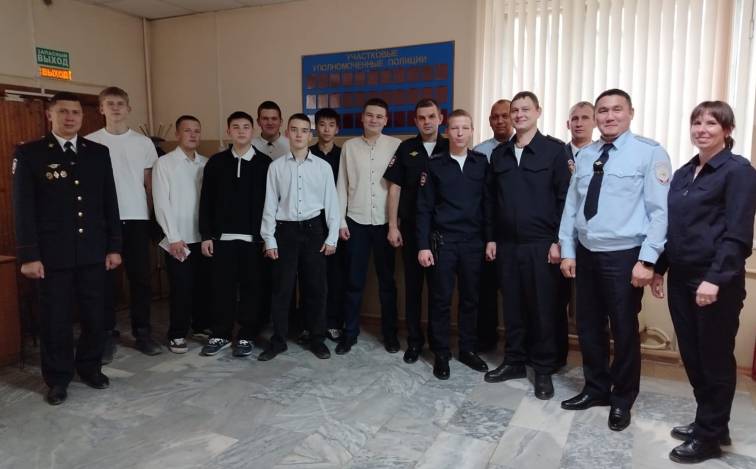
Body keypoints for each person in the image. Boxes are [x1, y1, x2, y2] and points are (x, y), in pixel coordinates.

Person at [558, 89, 671, 431]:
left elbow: (660, 212)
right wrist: (568, 250)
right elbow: (572, 207)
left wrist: (648, 260)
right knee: (588, 326)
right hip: (587, 254)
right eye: (603, 111)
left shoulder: (649, 153)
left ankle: (622, 398)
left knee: (623, 330)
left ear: (630, 113)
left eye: (616, 110)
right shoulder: (587, 154)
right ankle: (596, 388)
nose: (609, 116)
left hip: (624, 256)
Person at [650, 101, 756, 464]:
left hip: (715, 281)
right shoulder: (684, 173)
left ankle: (710, 437)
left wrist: (714, 279)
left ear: (727, 130)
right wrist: (660, 267)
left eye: (711, 123)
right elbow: (675, 228)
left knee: (714, 359)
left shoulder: (738, 171)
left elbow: (738, 235)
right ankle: (711, 422)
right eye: (697, 122)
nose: (702, 129)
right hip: (681, 277)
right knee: (693, 357)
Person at [13, 92, 122, 405]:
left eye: (75, 112)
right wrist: (29, 255)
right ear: (50, 115)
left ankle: (90, 367)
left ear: (83, 116)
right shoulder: (30, 153)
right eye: (63, 111)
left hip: (93, 250)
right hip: (52, 255)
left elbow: (109, 202)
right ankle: (58, 378)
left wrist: (114, 246)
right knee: (55, 319)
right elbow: (23, 208)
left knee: (95, 315)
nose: (70, 117)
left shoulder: (97, 153)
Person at [483, 91, 571, 399]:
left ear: (538, 111)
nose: (519, 115)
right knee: (513, 306)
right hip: (507, 244)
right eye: (515, 110)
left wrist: (559, 241)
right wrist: (491, 237)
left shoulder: (555, 151)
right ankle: (514, 361)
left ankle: (543, 368)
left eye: (525, 109)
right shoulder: (500, 155)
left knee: (543, 308)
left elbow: (565, 200)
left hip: (542, 245)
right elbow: (490, 201)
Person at [86, 86, 161, 359]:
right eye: (110, 103)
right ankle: (106, 333)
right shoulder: (90, 142)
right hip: (103, 222)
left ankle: (142, 333)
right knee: (105, 281)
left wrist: (151, 217)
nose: (115, 108)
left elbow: (150, 184)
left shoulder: (143, 143)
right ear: (101, 109)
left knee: (140, 279)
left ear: (129, 108)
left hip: (137, 218)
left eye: (120, 103)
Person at [259, 113, 340, 361]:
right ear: (287, 133)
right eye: (294, 129)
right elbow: (270, 204)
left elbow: (332, 203)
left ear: (310, 134)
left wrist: (332, 237)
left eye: (304, 130)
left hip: (314, 231)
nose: (299, 134)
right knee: (282, 289)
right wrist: (269, 238)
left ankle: (317, 339)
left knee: (315, 288)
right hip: (285, 232)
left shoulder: (323, 167)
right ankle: (278, 340)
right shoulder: (276, 167)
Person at [416, 109, 490, 380]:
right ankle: (441, 353)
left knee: (471, 299)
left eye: (465, 128)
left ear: (472, 131)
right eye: (455, 128)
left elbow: (489, 205)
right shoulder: (434, 164)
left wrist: (490, 239)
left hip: (473, 242)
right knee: (441, 300)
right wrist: (423, 245)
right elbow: (423, 208)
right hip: (443, 242)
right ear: (447, 131)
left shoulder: (481, 163)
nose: (459, 133)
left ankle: (467, 349)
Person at [199, 111, 271, 357]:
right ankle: (220, 333)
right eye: (236, 127)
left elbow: (271, 204)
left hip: (254, 240)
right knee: (222, 289)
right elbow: (206, 201)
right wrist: (206, 235)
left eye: (245, 127)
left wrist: (267, 238)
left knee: (252, 289)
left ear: (253, 130)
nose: (241, 131)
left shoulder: (265, 164)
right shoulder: (216, 163)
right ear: (228, 131)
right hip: (222, 240)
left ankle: (247, 335)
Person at [383, 98, 448, 364]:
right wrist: (393, 226)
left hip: (442, 233)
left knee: (439, 292)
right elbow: (394, 188)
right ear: (415, 121)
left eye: (431, 116)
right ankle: (414, 342)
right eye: (421, 118)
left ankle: (438, 344)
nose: (427, 122)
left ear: (440, 118)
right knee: (413, 289)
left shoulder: (451, 146)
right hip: (410, 230)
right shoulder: (406, 148)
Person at [336, 98, 401, 355]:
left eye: (379, 116)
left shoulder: (396, 146)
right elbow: (342, 185)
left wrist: (396, 224)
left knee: (387, 283)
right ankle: (349, 333)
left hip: (386, 224)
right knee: (353, 281)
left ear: (386, 120)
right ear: (362, 118)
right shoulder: (349, 147)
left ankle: (390, 334)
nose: (374, 119)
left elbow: (399, 188)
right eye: (370, 115)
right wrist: (341, 220)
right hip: (356, 222)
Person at [151, 115, 211, 353]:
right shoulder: (164, 164)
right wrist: (173, 237)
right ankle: (177, 333)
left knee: (203, 286)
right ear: (177, 134)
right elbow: (161, 203)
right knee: (181, 288)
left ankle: (200, 326)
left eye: (197, 131)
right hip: (178, 239)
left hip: (202, 237)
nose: (193, 135)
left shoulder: (206, 163)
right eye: (187, 130)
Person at [473, 99, 515, 352]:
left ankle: (517, 345)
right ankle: (486, 341)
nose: (500, 121)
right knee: (486, 290)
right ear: (489, 121)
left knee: (515, 292)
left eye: (504, 115)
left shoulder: (524, 148)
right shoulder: (479, 152)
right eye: (495, 117)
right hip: (485, 231)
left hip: (514, 232)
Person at [309, 108, 346, 342]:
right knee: (311, 277)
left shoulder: (343, 155)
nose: (326, 129)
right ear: (316, 128)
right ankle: (311, 324)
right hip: (312, 223)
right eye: (322, 124)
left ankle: (333, 322)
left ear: (337, 129)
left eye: (331, 125)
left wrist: (341, 222)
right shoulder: (307, 154)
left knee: (335, 276)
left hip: (337, 223)